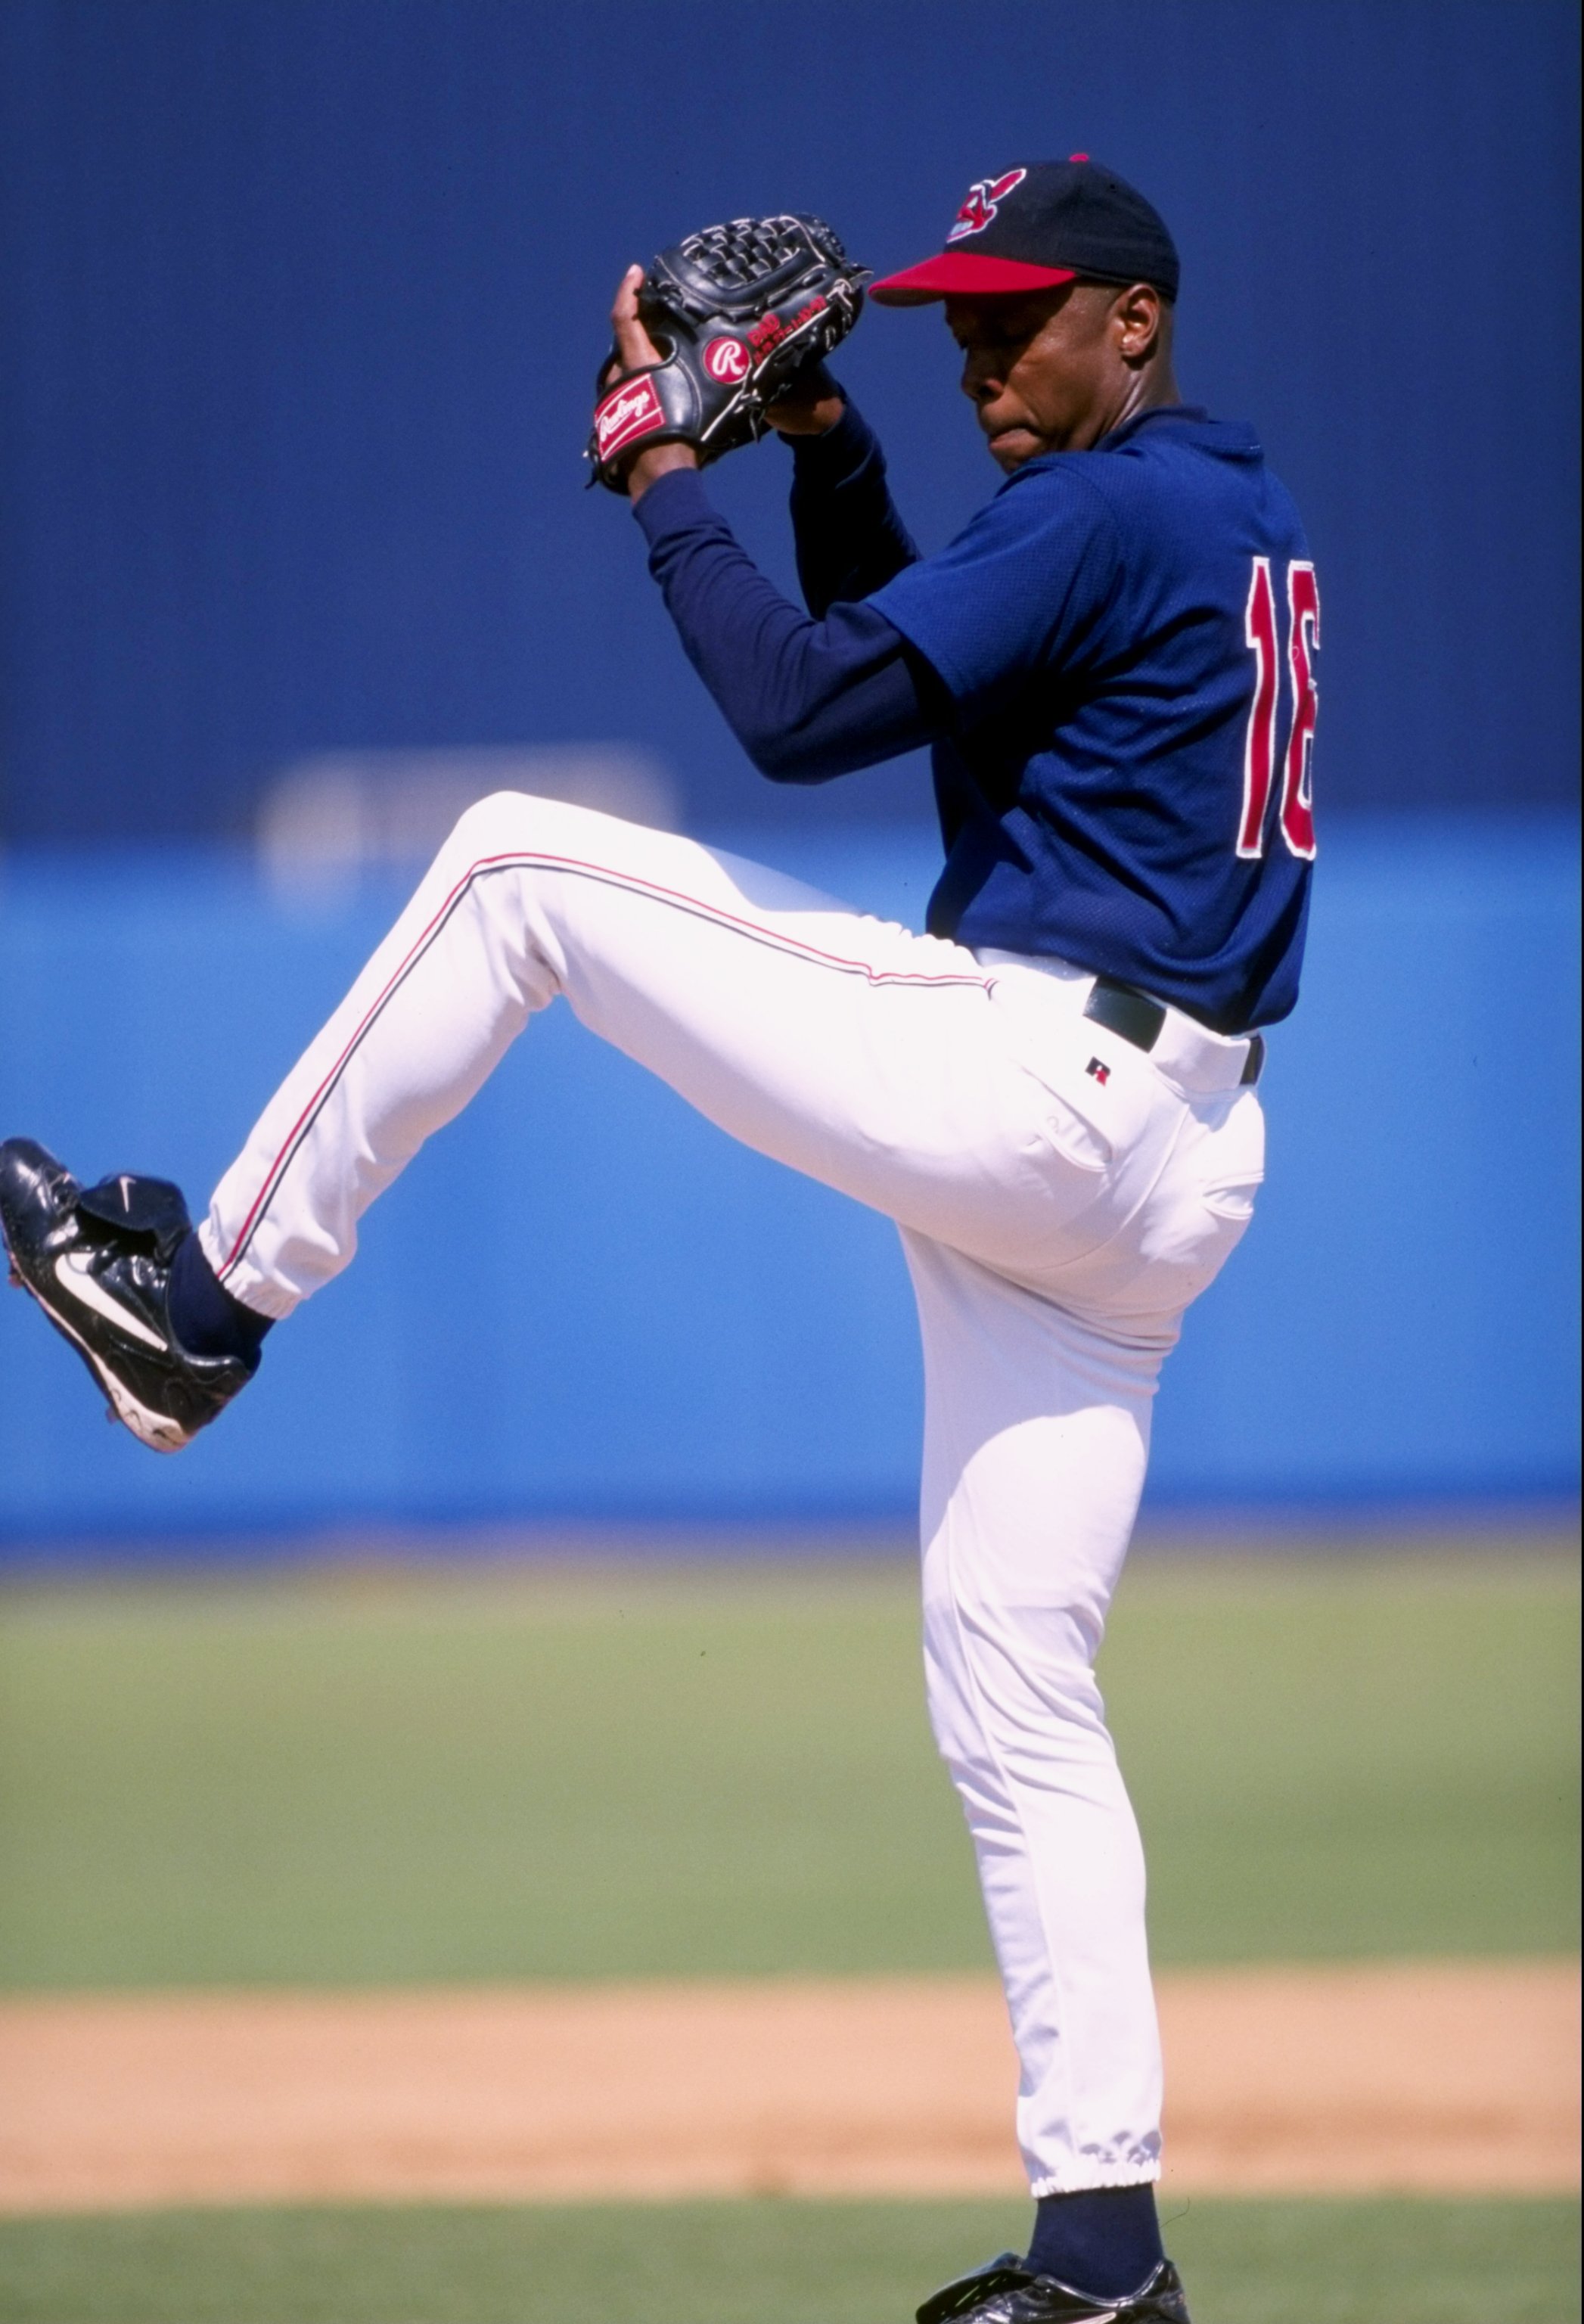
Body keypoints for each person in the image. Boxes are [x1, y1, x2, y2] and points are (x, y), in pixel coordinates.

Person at [0, 159, 1317, 2324]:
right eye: (957, 316)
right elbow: (944, 698)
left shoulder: (1101, 511)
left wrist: (663, 472)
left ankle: (202, 1297)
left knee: (521, 863)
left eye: (1025, 315)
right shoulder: (1218, 511)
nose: (981, 346)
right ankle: (1105, 2258)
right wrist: (831, 451)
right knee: (1018, 1691)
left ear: (1138, 321)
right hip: (1172, 1165)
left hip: (1047, 1088)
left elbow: (800, 718)